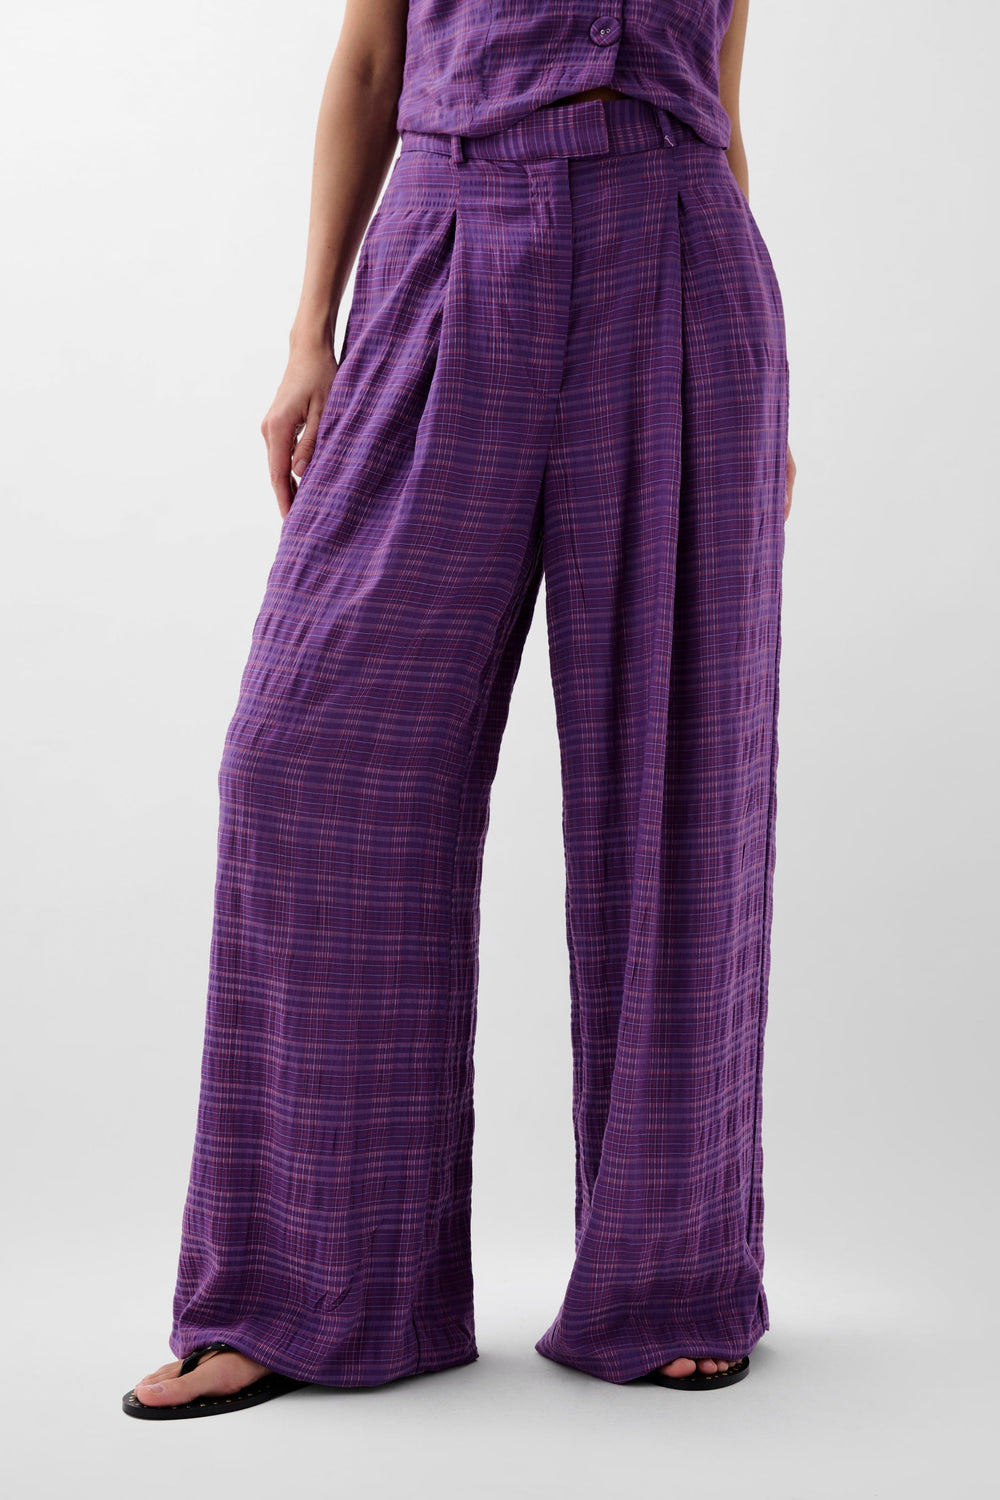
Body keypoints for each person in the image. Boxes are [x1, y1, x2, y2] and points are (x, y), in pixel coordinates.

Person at [123, 0, 796, 1420]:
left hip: (681, 259)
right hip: (444, 244)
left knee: (680, 779)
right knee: (301, 762)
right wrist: (310, 334)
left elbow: (718, 98)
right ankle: (311, 1286)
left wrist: (756, 392)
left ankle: (671, 1274)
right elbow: (372, 60)